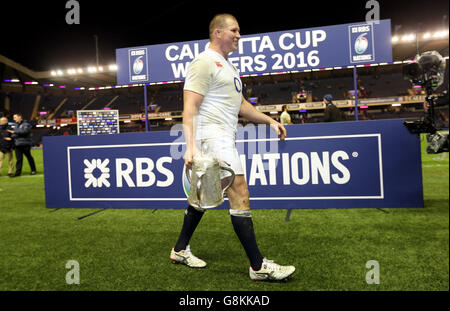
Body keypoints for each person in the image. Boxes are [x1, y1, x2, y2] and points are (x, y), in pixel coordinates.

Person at [170, 13, 295, 282]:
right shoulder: (203, 62)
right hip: (211, 139)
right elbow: (189, 107)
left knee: (202, 199)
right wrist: (189, 147)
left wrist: (270, 121)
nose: (239, 35)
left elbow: (242, 106)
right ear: (218, 32)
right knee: (240, 193)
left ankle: (180, 249)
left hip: (225, 137)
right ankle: (258, 267)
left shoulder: (228, 67)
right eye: (234, 30)